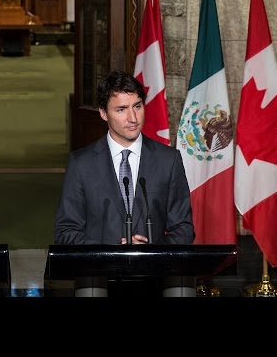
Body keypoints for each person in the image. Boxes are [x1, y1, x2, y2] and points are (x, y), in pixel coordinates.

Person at [55, 70, 194, 245]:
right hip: (101, 271)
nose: (133, 118)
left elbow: (183, 229)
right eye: (121, 110)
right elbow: (65, 232)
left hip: (152, 270)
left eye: (137, 106)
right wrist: (113, 252)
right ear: (104, 113)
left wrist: (152, 253)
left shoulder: (169, 160)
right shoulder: (81, 163)